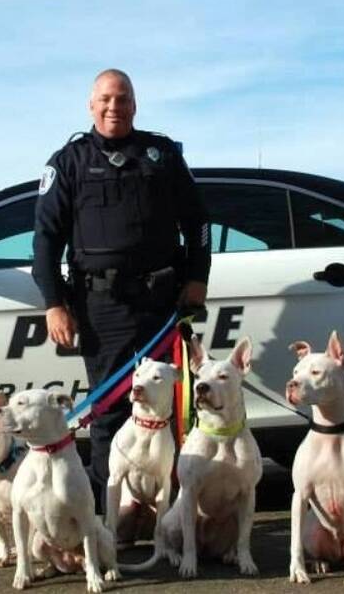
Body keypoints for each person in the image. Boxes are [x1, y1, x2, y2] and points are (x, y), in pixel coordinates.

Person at [32, 68, 211, 512]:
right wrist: (54, 303)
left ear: (135, 104)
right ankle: (106, 518)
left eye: (124, 98)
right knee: (111, 410)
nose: (115, 106)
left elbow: (198, 221)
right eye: (107, 99)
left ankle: (172, 516)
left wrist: (197, 278)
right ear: (91, 105)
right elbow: (45, 240)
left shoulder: (161, 154)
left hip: (161, 303)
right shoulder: (68, 162)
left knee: (172, 408)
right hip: (101, 306)